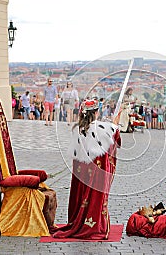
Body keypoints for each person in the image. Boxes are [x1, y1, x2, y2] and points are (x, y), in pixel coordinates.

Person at [52, 99, 121, 239]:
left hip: (81, 172)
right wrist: (114, 123)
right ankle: (92, 224)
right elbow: (116, 136)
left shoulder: (78, 128)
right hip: (96, 173)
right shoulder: (101, 128)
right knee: (94, 198)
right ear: (96, 112)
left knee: (82, 195)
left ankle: (78, 220)